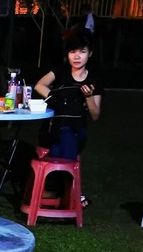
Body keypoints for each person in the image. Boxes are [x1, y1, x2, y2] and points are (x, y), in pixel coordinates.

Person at [34, 28, 102, 205]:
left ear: (90, 54)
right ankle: (75, 193)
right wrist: (55, 97)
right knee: (63, 133)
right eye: (73, 52)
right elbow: (39, 85)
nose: (77, 56)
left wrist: (88, 97)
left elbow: (95, 115)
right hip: (54, 130)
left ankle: (58, 190)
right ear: (68, 54)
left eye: (82, 52)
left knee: (59, 149)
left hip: (78, 133)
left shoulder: (94, 81)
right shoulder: (61, 71)